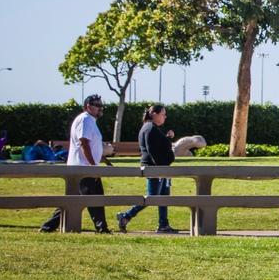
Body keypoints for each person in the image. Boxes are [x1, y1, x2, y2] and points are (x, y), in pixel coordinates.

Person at [39, 95, 112, 233]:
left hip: (85, 167)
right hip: (83, 168)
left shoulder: (89, 120)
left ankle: (102, 228)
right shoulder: (85, 120)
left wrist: (103, 160)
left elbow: (92, 144)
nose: (100, 107)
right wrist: (93, 166)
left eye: (101, 105)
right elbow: (83, 142)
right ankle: (102, 228)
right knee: (88, 199)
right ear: (88, 106)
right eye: (97, 105)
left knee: (88, 198)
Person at [117, 104, 180, 234]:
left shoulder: (151, 128)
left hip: (160, 168)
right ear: (155, 114)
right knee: (152, 197)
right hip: (155, 168)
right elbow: (153, 151)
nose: (165, 117)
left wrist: (167, 138)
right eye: (163, 114)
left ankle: (163, 224)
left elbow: (158, 146)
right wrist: (161, 168)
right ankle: (126, 216)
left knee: (163, 196)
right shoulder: (150, 128)